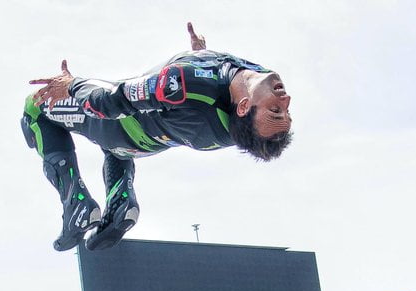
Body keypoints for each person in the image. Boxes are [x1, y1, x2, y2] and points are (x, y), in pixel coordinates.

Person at [24, 22, 293, 252]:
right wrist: (201, 53)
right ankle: (121, 201)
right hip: (145, 141)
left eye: (275, 110)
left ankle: (76, 206)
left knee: (33, 111)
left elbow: (110, 101)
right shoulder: (253, 81)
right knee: (116, 151)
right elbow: (218, 101)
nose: (285, 99)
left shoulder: (184, 85)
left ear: (244, 106)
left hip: (121, 126)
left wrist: (72, 85)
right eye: (285, 111)